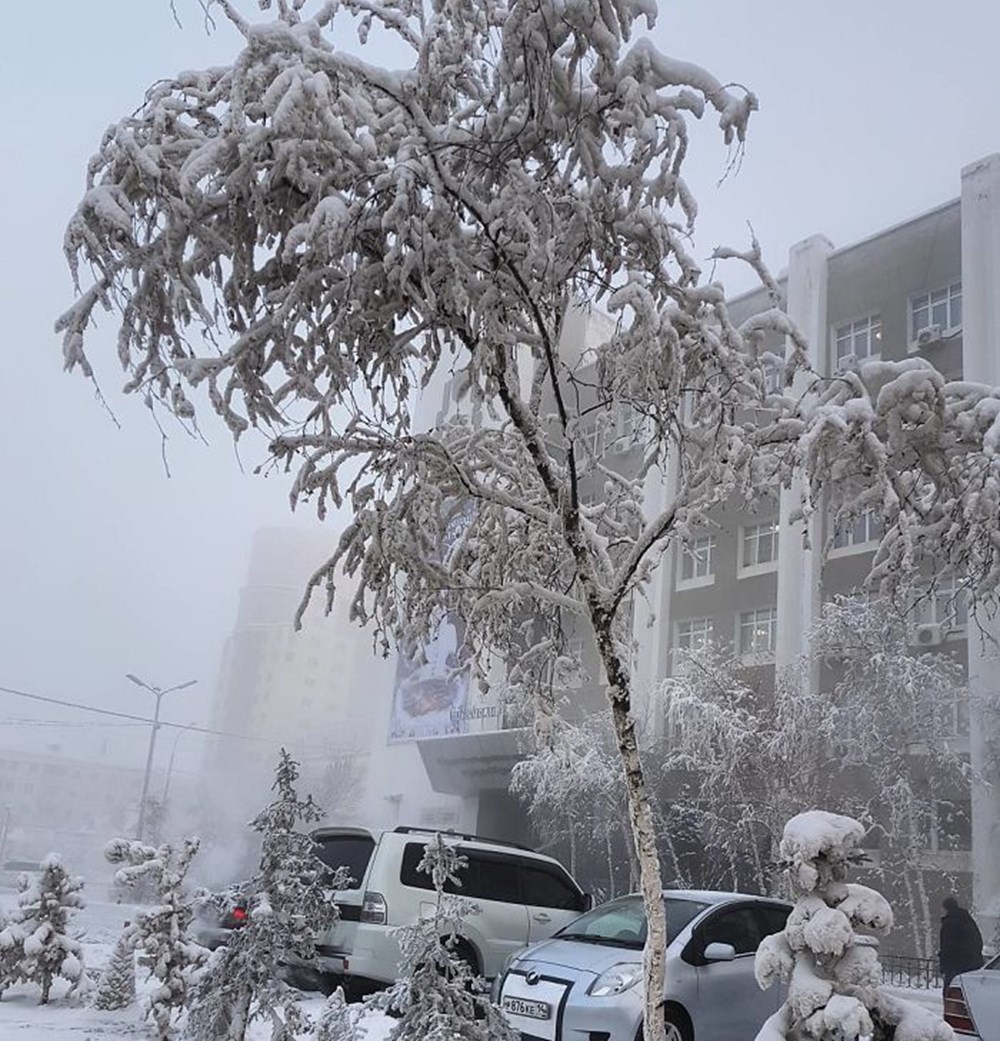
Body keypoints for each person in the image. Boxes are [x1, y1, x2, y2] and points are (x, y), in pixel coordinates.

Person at [939, 896, 984, 992]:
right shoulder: (967, 919)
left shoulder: (950, 923)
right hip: (973, 964)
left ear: (946, 908)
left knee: (951, 992)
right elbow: (978, 940)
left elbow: (947, 947)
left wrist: (944, 967)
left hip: (956, 965)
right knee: (968, 992)